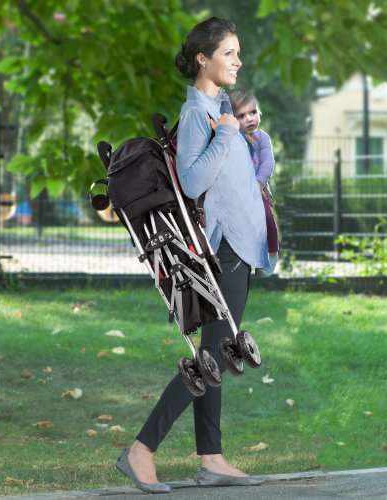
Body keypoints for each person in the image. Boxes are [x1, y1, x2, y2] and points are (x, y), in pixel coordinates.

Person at [114, 17, 268, 494]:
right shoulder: (200, 114)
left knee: (213, 354)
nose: (238, 61)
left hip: (240, 248)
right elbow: (194, 179)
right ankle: (141, 450)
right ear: (203, 58)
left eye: (238, 53)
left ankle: (212, 458)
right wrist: (226, 134)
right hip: (224, 249)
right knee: (214, 357)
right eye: (228, 53)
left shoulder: (220, 108)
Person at [227, 89, 280, 277]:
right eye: (241, 116)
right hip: (236, 192)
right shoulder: (230, 140)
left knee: (267, 217)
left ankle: (271, 254)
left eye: (253, 112)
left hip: (256, 190)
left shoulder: (261, 138)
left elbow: (267, 163)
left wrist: (260, 184)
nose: (249, 119)